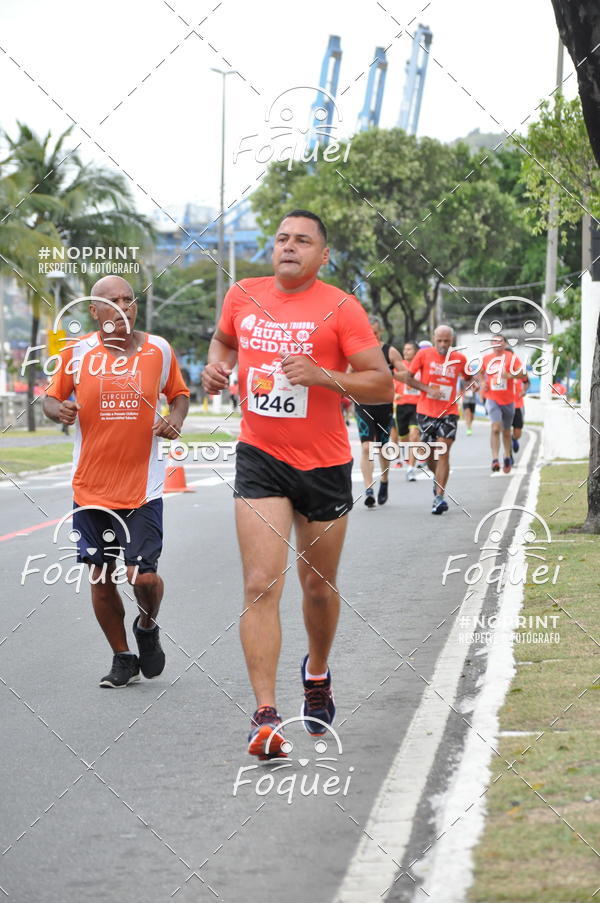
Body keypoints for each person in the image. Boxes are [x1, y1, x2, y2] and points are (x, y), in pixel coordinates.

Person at [201, 210, 393, 758]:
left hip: (324, 465)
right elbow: (222, 342)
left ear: (323, 255)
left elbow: (381, 384)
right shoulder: (243, 294)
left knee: (318, 587)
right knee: (261, 583)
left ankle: (317, 672)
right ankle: (265, 716)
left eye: (303, 240)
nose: (289, 246)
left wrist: (322, 375)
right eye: (282, 238)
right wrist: (217, 368)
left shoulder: (342, 307)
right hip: (260, 457)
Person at [43, 275, 190, 688]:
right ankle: (122, 657)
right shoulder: (77, 353)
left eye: (130, 300)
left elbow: (179, 394)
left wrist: (175, 420)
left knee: (143, 577)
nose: (124, 307)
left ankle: (147, 625)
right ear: (95, 311)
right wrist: (58, 411)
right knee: (101, 576)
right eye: (113, 301)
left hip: (143, 487)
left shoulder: (158, 349)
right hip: (90, 487)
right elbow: (51, 398)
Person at [397, 325, 472, 514]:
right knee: (429, 455)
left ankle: (439, 497)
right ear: (434, 339)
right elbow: (408, 378)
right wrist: (428, 389)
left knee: (443, 452)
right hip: (426, 411)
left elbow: (469, 378)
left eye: (446, 341)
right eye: (439, 341)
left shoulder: (460, 359)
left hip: (449, 411)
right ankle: (437, 479)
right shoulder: (423, 355)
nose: (443, 345)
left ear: (452, 341)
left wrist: (471, 386)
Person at [353, 316, 403, 507]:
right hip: (363, 403)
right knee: (367, 447)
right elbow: (346, 371)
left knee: (383, 448)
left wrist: (393, 373)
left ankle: (384, 480)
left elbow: (404, 372)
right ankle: (369, 489)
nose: (371, 336)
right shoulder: (356, 351)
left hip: (384, 405)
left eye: (374, 333)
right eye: (368, 333)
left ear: (380, 331)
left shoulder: (389, 351)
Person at [478, 335, 526, 474]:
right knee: (495, 428)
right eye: (494, 341)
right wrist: (482, 382)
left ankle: (506, 456)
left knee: (506, 431)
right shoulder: (486, 358)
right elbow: (480, 373)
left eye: (500, 341)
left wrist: (510, 375)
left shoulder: (511, 358)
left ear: (505, 344)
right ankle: (495, 459)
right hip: (492, 397)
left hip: (509, 400)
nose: (497, 344)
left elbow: (522, 373)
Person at [395, 340, 421, 481]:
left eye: (409, 349)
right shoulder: (399, 366)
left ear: (416, 352)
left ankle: (411, 468)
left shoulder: (421, 366)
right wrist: (394, 394)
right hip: (401, 405)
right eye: (404, 349)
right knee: (403, 438)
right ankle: (406, 456)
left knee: (414, 435)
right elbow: (391, 383)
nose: (405, 351)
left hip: (418, 406)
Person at [511, 374, 529, 455]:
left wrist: (524, 390)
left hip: (518, 405)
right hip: (505, 405)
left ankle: (514, 438)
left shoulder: (520, 371)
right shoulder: (501, 371)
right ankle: (508, 455)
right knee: (506, 431)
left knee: (518, 433)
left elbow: (527, 382)